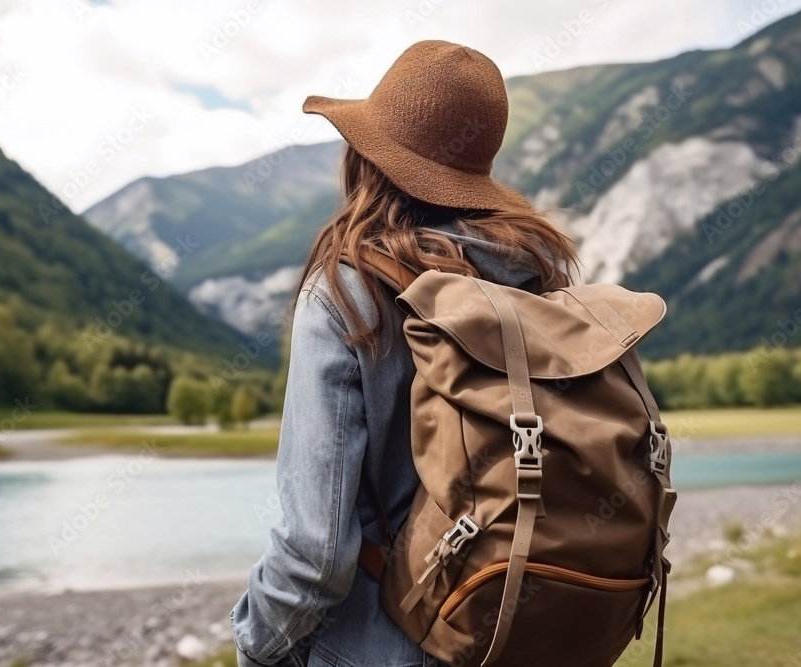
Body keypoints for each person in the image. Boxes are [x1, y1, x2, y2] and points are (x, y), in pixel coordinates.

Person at [230, 40, 577, 667]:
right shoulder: (540, 285)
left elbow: (314, 551)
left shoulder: (348, 291)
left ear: (368, 159)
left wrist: (255, 645)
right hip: (518, 635)